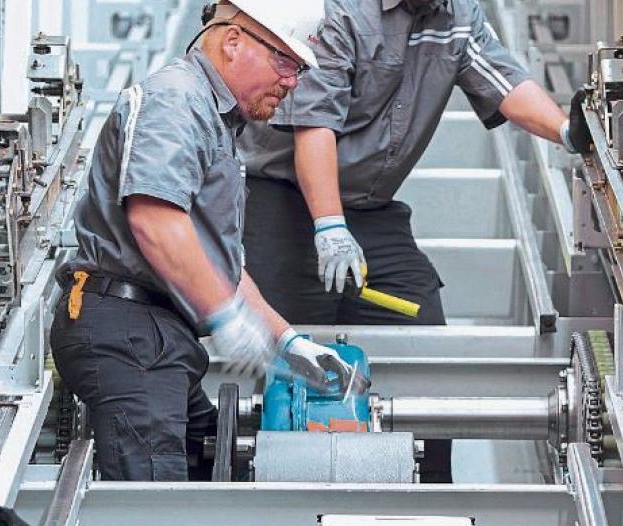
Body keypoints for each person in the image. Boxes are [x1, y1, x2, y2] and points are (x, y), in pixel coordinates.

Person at [238, 0, 592, 482]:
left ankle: (429, 494)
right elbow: (314, 128)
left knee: (423, 336)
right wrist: (329, 227)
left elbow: (505, 81)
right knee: (292, 349)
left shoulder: (457, 14)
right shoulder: (339, 11)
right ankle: (278, 491)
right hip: (287, 200)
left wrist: (567, 131)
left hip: (371, 208)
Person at [49, 0, 368, 482]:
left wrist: (287, 342)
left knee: (208, 463)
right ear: (234, 40)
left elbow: (217, 264)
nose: (293, 82)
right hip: (127, 331)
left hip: (156, 334)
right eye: (285, 61)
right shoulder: (176, 101)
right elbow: (155, 223)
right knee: (153, 506)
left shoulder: (214, 122)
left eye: (299, 68)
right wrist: (224, 316)